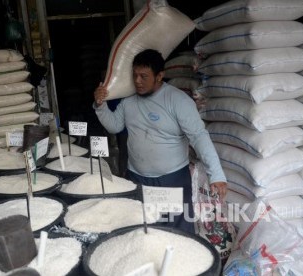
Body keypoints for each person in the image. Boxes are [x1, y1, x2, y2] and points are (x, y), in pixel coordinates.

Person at [93, 49, 227, 234]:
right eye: (135, 76)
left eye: (144, 76)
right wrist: (101, 106)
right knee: (145, 230)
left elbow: (199, 137)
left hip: (172, 179)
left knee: (178, 233)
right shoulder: (129, 101)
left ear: (159, 76)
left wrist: (217, 175)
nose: (138, 81)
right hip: (137, 178)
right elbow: (114, 126)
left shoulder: (177, 100)